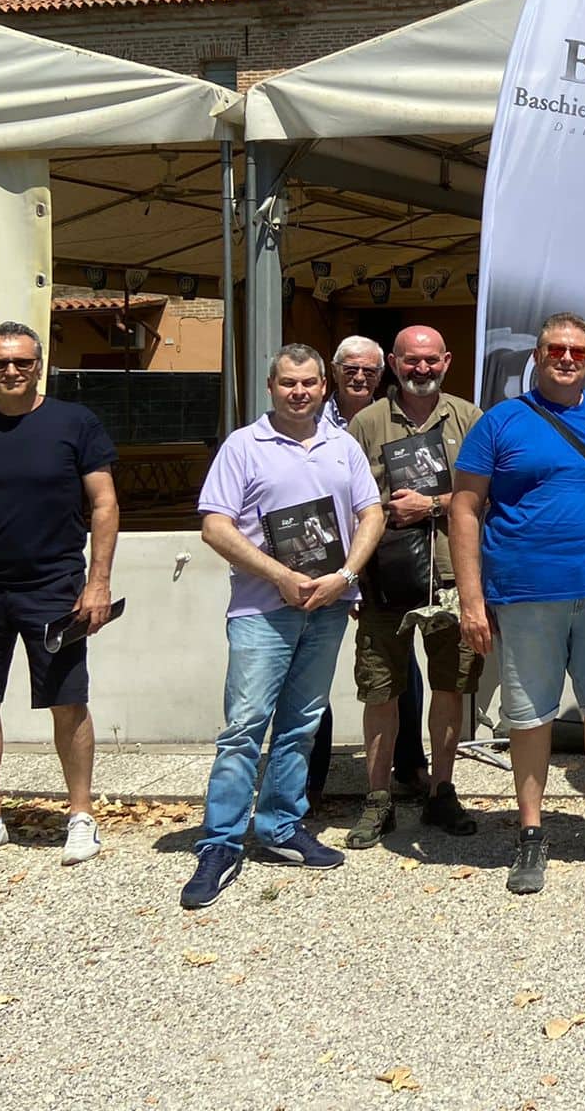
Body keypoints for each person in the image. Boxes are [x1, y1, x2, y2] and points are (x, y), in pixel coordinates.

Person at [449, 313, 585, 892]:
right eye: (556, 349)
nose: (566, 358)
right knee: (528, 716)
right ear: (537, 356)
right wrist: (471, 598)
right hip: (526, 595)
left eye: (577, 351)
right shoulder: (500, 421)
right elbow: (464, 509)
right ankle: (531, 832)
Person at [181, 345, 384, 909]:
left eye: (309, 383)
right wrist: (280, 576)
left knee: (301, 724)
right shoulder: (243, 446)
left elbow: (371, 513)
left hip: (327, 606)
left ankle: (279, 826)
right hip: (262, 611)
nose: (299, 392)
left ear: (324, 387)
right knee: (245, 727)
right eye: (289, 383)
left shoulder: (342, 445)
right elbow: (215, 526)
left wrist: (345, 576)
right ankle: (220, 842)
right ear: (271, 386)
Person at [0, 322, 119, 868]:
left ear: (40, 366)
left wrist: (98, 582)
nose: (11, 371)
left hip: (54, 587)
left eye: (22, 362)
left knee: (66, 699)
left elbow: (104, 504)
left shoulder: (75, 424)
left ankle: (80, 816)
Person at [342, 325, 484, 849]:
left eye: (430, 360)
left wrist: (432, 505)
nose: (421, 369)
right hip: (386, 581)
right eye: (410, 360)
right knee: (380, 689)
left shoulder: (470, 418)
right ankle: (378, 799)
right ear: (393, 363)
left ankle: (441, 791)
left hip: (454, 575)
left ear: (447, 361)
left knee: (450, 687)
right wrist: (352, 576)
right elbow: (348, 501)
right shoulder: (366, 423)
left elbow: (489, 494)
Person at [310, 334, 426, 806]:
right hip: (321, 561)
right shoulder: (307, 419)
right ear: (334, 371)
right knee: (313, 670)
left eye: (370, 371)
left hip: (386, 566)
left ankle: (410, 764)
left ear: (384, 373)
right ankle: (310, 780)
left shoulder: (395, 421)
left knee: (399, 669)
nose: (360, 377)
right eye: (351, 369)